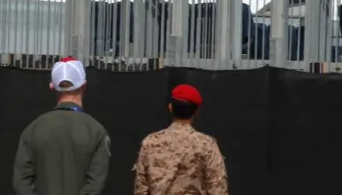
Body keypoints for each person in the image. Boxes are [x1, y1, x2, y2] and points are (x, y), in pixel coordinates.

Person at [13, 58, 111, 195]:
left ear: (52, 87)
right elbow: (96, 183)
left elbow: (22, 182)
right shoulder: (96, 131)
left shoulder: (33, 129)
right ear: (84, 85)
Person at [133, 83, 228, 195]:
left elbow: (140, 189)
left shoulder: (150, 142)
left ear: (170, 108)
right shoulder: (207, 145)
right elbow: (218, 189)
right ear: (197, 111)